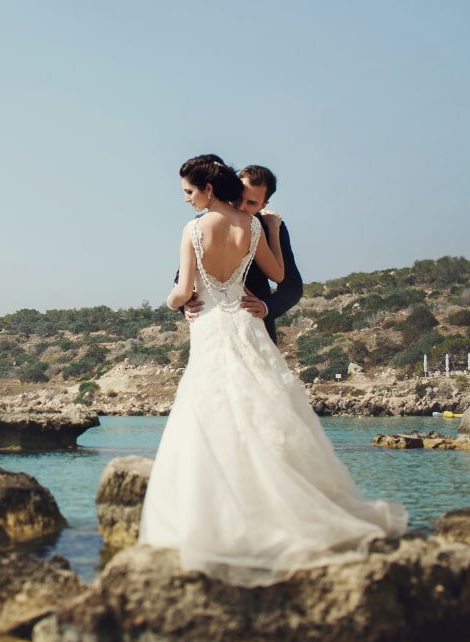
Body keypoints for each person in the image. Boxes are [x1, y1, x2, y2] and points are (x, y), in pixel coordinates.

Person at [138, 155, 406, 587]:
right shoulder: (253, 227)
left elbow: (193, 287)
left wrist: (176, 299)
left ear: (207, 190)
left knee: (211, 415)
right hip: (246, 329)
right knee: (264, 411)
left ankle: (221, 520)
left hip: (217, 326)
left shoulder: (195, 228)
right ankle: (270, 508)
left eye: (189, 191)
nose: (186, 199)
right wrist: (266, 238)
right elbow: (276, 270)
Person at [183, 163, 302, 344]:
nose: (241, 207)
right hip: (213, 331)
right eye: (238, 198)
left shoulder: (271, 227)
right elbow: (181, 278)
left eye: (251, 203)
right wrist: (186, 304)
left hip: (257, 332)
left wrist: (266, 307)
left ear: (264, 204)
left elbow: (292, 286)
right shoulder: (201, 224)